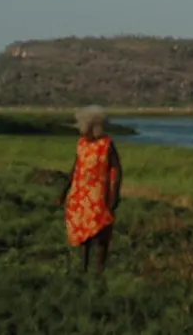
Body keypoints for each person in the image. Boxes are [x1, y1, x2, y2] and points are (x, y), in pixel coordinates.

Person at [58, 105, 123, 274]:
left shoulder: (106, 144)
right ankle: (83, 268)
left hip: (99, 195)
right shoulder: (81, 144)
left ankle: (99, 270)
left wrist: (114, 195)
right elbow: (75, 168)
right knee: (83, 232)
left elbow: (116, 169)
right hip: (80, 194)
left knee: (101, 232)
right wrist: (64, 192)